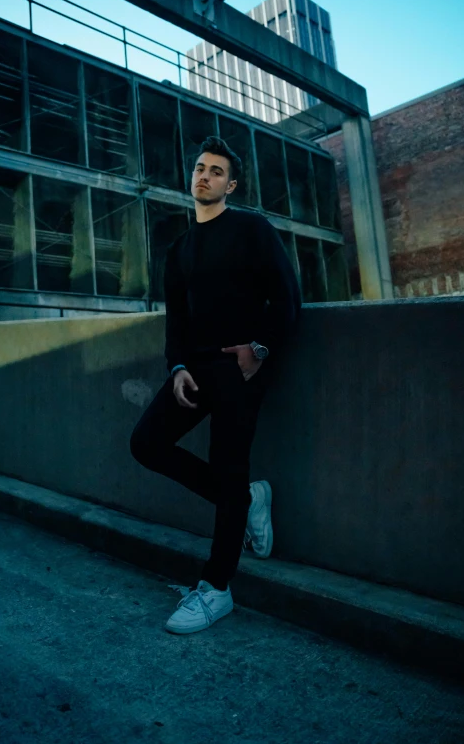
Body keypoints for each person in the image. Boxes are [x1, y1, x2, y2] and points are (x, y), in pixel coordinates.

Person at [130, 136, 301, 634]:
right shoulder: (179, 249)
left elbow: (287, 300)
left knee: (229, 466)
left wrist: (259, 350)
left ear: (231, 184)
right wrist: (176, 367)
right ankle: (245, 499)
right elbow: (176, 322)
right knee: (146, 443)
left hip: (239, 366)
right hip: (195, 371)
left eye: (215, 171)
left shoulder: (252, 229)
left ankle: (217, 589)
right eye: (199, 167)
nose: (203, 175)